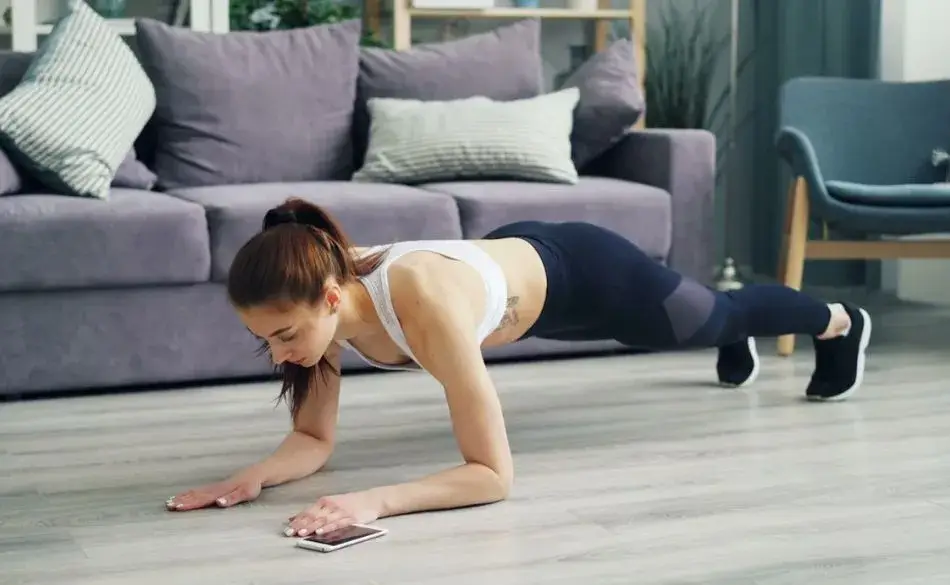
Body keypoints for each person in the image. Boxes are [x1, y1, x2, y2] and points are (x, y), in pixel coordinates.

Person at [165, 197, 871, 538]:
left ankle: (839, 322)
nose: (280, 353)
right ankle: (727, 335)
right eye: (265, 340)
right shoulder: (313, 298)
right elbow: (313, 440)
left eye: (285, 336)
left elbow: (492, 475)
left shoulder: (422, 301)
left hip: (586, 274)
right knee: (699, 319)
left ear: (330, 298)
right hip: (515, 278)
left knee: (719, 315)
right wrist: (252, 476)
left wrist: (372, 501)